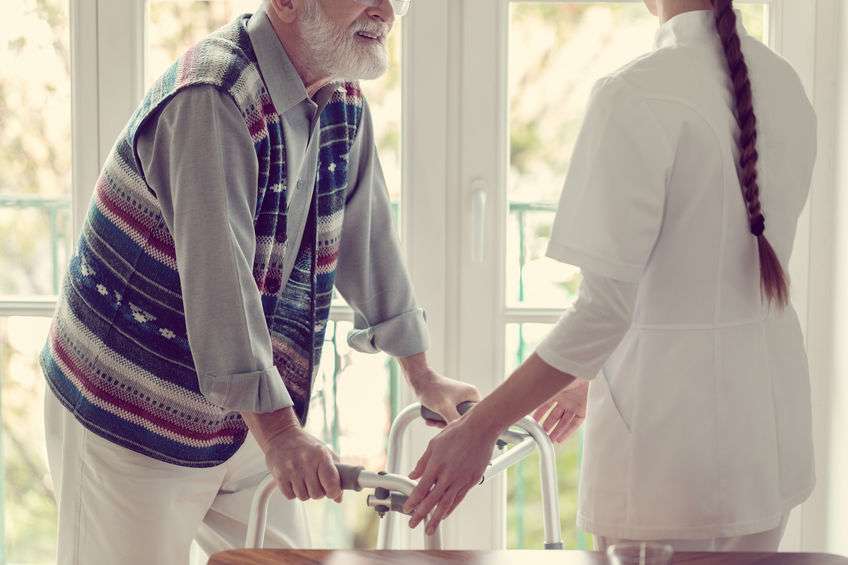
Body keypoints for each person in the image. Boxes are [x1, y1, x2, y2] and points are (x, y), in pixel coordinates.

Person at [40, 1, 478, 563]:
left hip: (241, 399)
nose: (388, 8)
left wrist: (423, 376)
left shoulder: (338, 95)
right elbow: (220, 291)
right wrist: (279, 435)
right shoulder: (211, 99)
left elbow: (368, 241)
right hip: (129, 403)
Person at [403, 0, 816, 553]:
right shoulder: (784, 81)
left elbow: (602, 310)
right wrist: (586, 375)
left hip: (671, 463)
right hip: (768, 445)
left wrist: (478, 430)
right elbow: (698, 278)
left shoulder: (636, 93)